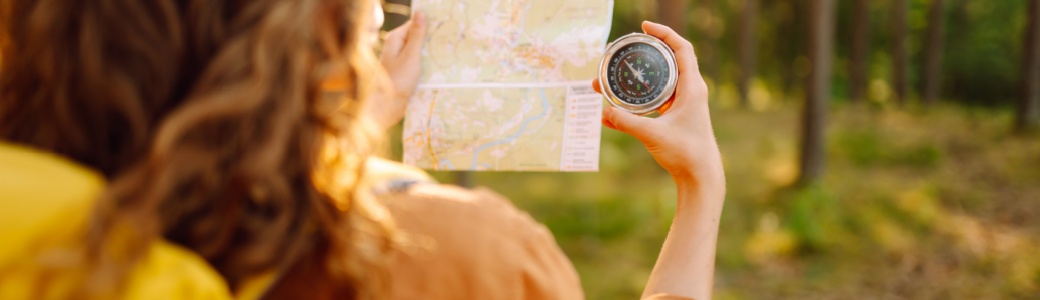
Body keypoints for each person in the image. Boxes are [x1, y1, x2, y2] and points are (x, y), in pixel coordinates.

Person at [0, 0, 725, 299]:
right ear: (317, 35)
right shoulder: (460, 260)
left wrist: (346, 137)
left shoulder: (33, 244)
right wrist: (701, 188)